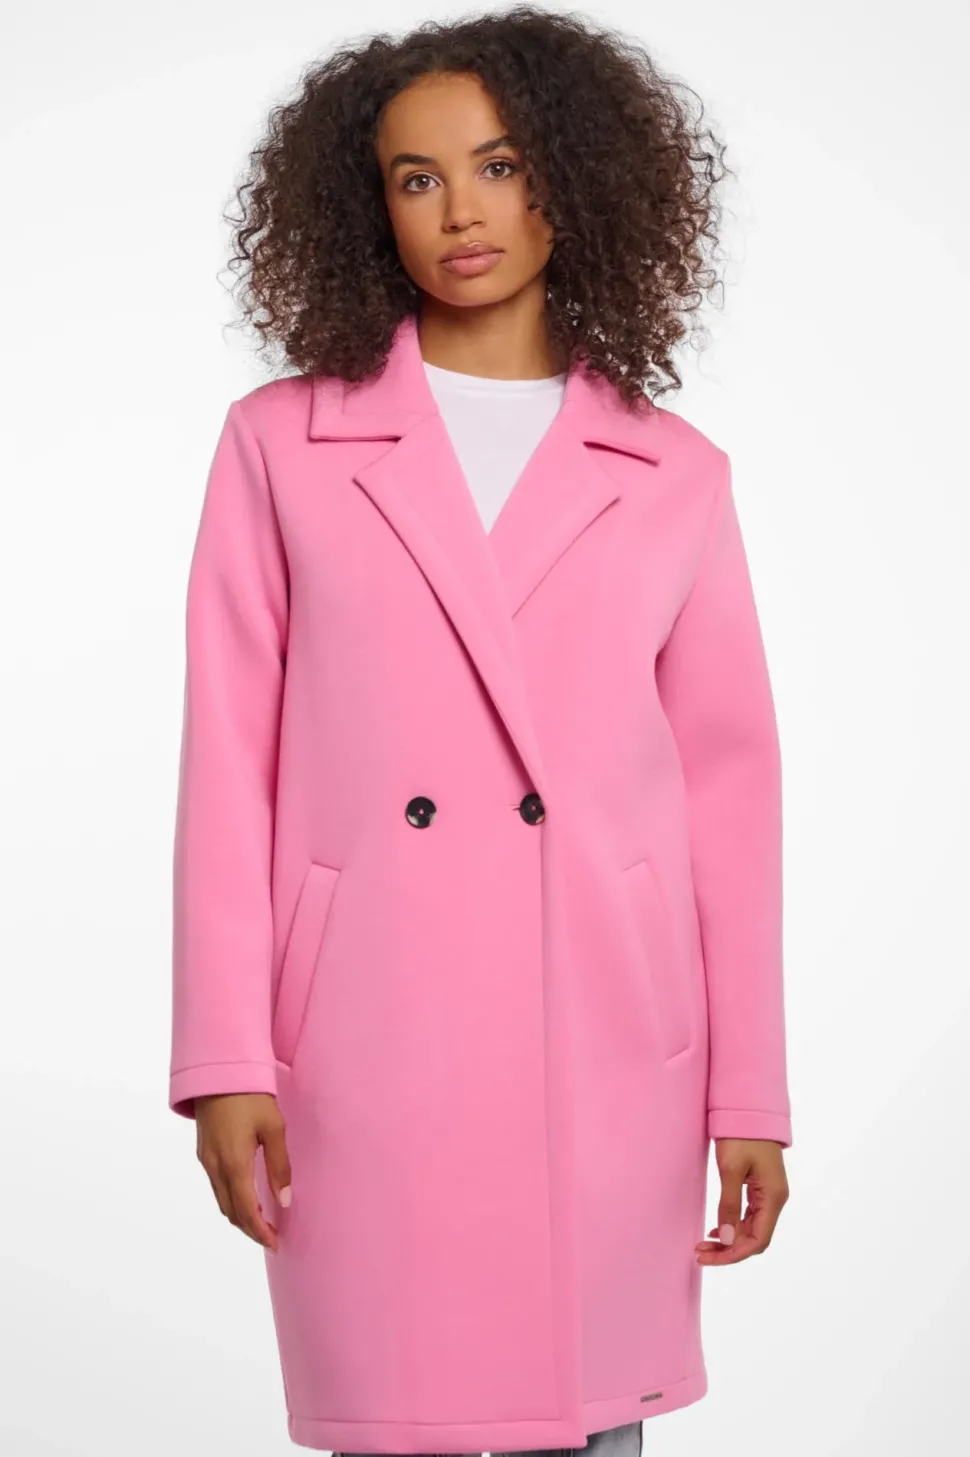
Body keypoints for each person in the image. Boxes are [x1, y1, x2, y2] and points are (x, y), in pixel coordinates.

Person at [168, 7, 792, 1456]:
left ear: (571, 176)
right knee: (398, 1414)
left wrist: (748, 1089)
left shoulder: (673, 472)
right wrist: (226, 1058)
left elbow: (730, 798)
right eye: (416, 177)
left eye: (498, 165)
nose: (460, 211)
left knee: (589, 1422)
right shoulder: (281, 444)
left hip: (607, 1025)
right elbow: (228, 764)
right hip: (362, 1029)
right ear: (367, 208)